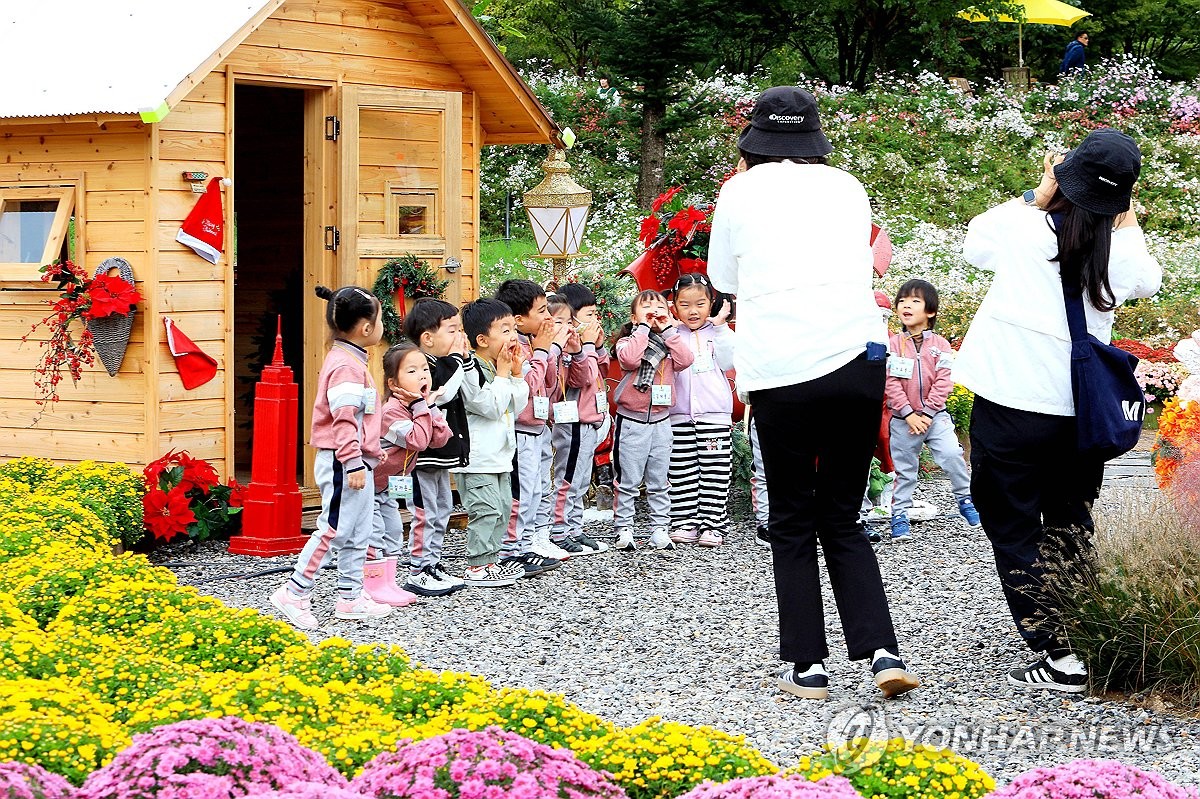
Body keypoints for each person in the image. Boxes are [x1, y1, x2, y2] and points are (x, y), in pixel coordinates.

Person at [707, 86, 920, 700]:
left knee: (793, 516)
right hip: (855, 360)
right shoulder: (847, 186)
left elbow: (722, 277)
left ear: (754, 142)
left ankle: (808, 664)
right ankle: (881, 651)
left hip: (782, 369)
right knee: (843, 514)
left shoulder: (739, 190)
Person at [955, 129, 1161, 691]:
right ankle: (1082, 635)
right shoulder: (1120, 253)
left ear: (1064, 177)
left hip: (1010, 404)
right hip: (1080, 414)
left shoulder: (1023, 229)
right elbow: (1148, 280)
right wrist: (1126, 219)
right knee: (1070, 520)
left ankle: (1057, 650)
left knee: (1012, 524)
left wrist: (1036, 195)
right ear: (1121, 199)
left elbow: (975, 242)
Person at [269, 285, 393, 630]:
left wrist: (370, 450)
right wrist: (353, 461)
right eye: (380, 320)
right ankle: (294, 591)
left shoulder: (352, 361)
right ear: (365, 328)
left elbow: (359, 419)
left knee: (358, 532)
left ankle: (350, 597)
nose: (382, 326)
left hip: (356, 462)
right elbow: (343, 419)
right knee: (334, 529)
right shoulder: (345, 367)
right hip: (344, 464)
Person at [884, 279, 981, 542]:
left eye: (915, 301)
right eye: (902, 301)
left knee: (952, 454)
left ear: (930, 311)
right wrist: (908, 413)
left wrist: (927, 413)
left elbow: (944, 381)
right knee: (905, 469)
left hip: (935, 417)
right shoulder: (893, 344)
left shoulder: (941, 345)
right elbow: (890, 382)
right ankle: (900, 514)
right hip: (903, 420)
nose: (906, 305)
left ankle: (965, 499)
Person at [367, 342, 452, 606]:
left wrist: (429, 406)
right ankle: (371, 587)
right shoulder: (391, 411)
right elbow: (418, 441)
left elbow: (441, 438)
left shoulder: (418, 408)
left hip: (386, 486)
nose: (422, 376)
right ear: (393, 384)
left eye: (425, 369)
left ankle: (389, 584)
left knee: (394, 531)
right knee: (374, 535)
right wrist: (420, 406)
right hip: (367, 484)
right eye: (412, 371)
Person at [494, 279, 570, 575]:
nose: (548, 317)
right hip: (520, 431)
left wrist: (550, 352)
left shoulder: (534, 344)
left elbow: (548, 385)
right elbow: (527, 386)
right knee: (521, 493)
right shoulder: (515, 348)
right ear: (518, 320)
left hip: (538, 429)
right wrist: (543, 351)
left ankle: (526, 545)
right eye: (541, 311)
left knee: (536, 490)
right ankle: (510, 550)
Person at [612, 289, 694, 551]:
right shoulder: (628, 342)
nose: (654, 311)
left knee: (660, 480)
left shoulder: (671, 343)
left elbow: (686, 360)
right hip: (631, 421)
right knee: (628, 479)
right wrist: (644, 329)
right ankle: (624, 528)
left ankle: (660, 528)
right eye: (646, 307)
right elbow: (629, 359)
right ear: (633, 317)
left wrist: (668, 330)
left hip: (661, 421)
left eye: (659, 307)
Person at [457, 299, 531, 588]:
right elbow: (488, 406)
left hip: (500, 455)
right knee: (485, 510)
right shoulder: (472, 369)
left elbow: (516, 405)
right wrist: (502, 374)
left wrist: (516, 374)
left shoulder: (499, 367)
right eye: (505, 330)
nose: (513, 336)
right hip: (478, 458)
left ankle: (491, 561)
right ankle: (477, 565)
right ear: (482, 339)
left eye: (514, 328)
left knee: (502, 508)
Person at [401, 298, 472, 597]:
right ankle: (418, 569)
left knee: (442, 508)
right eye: (452, 330)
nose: (459, 336)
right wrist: (457, 358)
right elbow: (442, 392)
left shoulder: (443, 364)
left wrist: (459, 359)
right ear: (428, 338)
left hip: (440, 453)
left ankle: (433, 562)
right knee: (424, 512)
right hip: (420, 455)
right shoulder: (420, 365)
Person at [667, 273, 736, 547]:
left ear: (711, 303)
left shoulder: (718, 333)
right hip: (678, 415)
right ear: (674, 305)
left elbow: (729, 362)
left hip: (714, 416)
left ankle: (713, 524)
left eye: (700, 304)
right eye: (684, 304)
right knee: (681, 471)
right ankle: (685, 521)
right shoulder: (672, 335)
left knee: (714, 471)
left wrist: (721, 327)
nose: (692, 311)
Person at [543, 285, 611, 556]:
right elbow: (583, 378)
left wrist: (597, 346)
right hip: (573, 421)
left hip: (590, 420)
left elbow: (602, 370)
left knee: (581, 480)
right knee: (568, 479)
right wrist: (586, 347)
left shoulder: (581, 346)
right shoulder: (563, 350)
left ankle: (574, 528)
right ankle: (559, 531)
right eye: (588, 315)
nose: (594, 320)